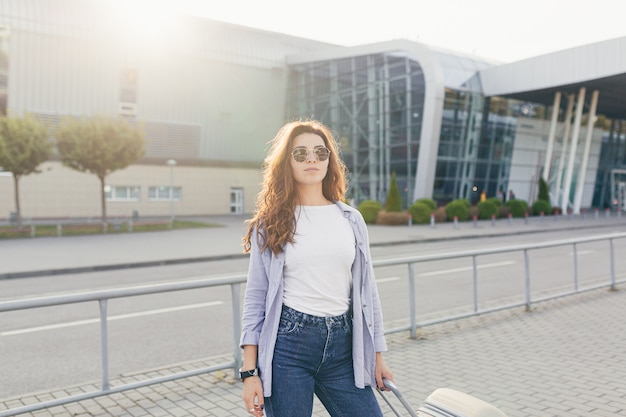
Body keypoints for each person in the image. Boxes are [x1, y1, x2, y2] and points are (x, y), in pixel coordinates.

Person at [239, 120, 394, 417]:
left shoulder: (351, 219)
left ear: (329, 161)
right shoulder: (269, 224)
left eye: (320, 152)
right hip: (289, 348)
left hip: (344, 348)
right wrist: (249, 373)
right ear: (288, 163)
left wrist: (376, 356)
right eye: (300, 154)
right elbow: (255, 298)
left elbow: (367, 292)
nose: (312, 159)